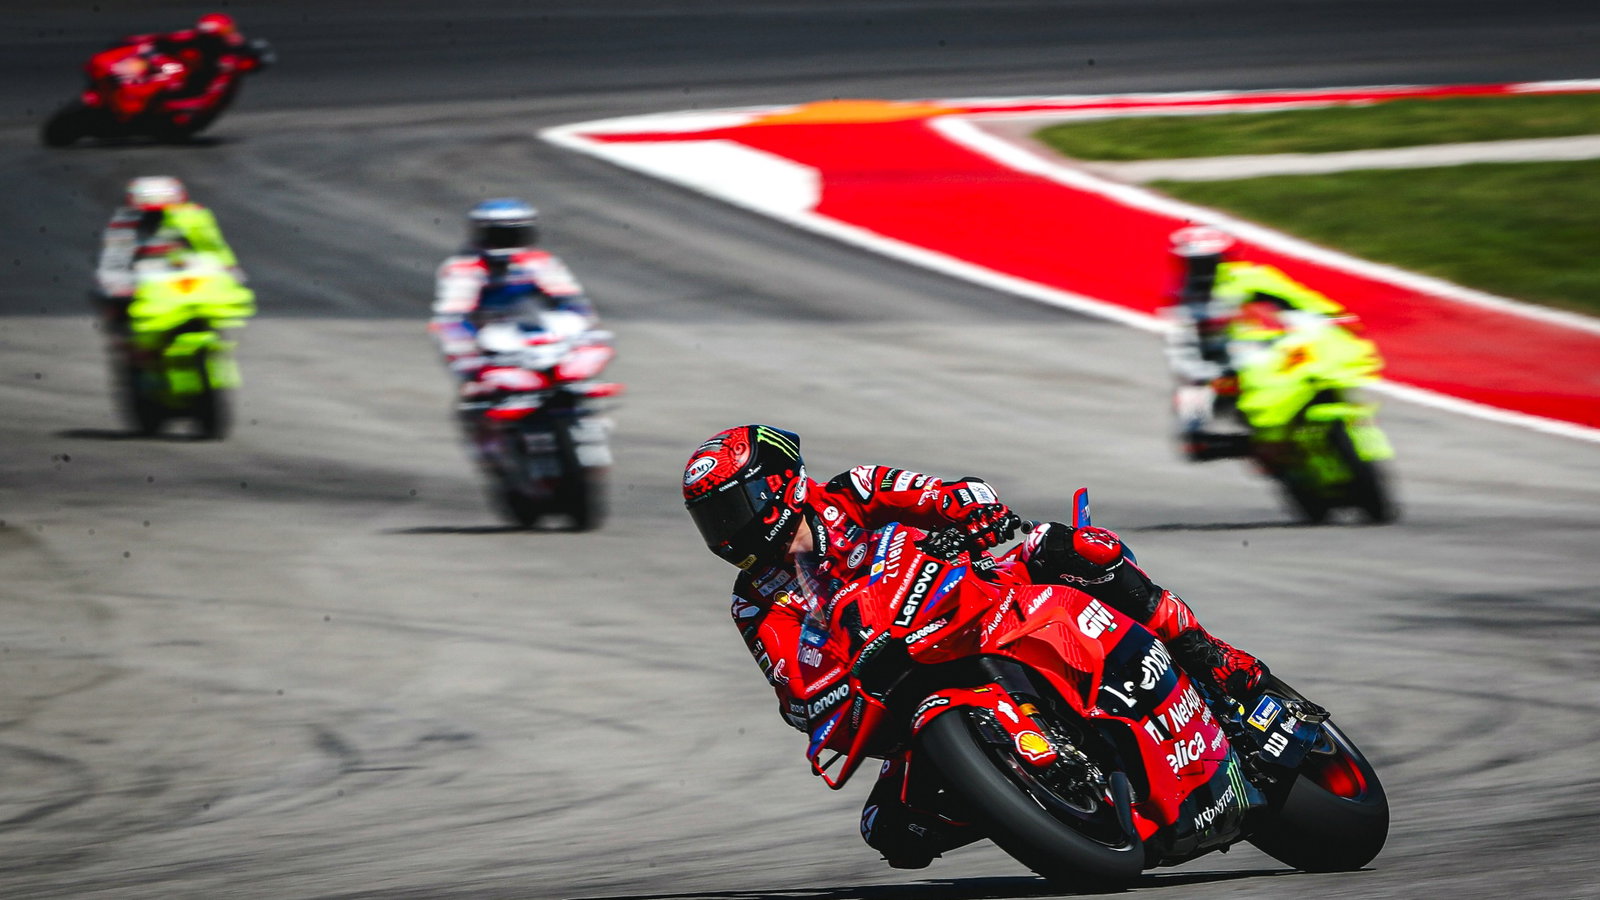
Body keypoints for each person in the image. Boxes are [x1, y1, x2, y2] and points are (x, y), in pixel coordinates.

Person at [682, 424, 1267, 869]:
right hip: (903, 688)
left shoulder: (853, 492)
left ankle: (1210, 658)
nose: (726, 533)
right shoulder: (755, 603)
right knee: (891, 831)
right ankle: (1028, 799)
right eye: (711, 520)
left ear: (779, 486)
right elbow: (798, 697)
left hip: (979, 600)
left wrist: (971, 507)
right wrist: (832, 702)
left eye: (732, 509)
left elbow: (947, 492)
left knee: (1071, 548)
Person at [1163, 224, 1366, 461]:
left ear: (1223, 258)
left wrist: (1331, 315)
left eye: (1210, 261)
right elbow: (1181, 354)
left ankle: (1340, 413)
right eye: (1196, 264)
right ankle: (1256, 447)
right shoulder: (1181, 305)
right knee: (1192, 439)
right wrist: (1207, 376)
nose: (1204, 270)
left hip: (1263, 350)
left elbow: (1297, 296)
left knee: (1322, 355)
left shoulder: (1249, 277)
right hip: (1220, 372)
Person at [429, 198, 598, 393]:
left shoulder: (540, 261)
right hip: (488, 337)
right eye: (498, 235)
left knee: (585, 338)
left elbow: (571, 299)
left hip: (535, 329)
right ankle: (483, 393)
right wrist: (468, 355)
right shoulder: (462, 268)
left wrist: (590, 332)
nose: (506, 242)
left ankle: (567, 386)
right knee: (448, 337)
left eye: (513, 234)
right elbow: (453, 316)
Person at [96, 176, 243, 341]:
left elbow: (212, 247)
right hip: (143, 282)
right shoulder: (124, 223)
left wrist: (228, 269)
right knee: (119, 309)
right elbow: (113, 261)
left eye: (163, 209)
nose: (157, 215)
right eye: (150, 211)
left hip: (181, 278)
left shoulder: (193, 216)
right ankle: (133, 349)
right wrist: (118, 286)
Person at [112, 13, 267, 100]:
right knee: (169, 70)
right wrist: (133, 41)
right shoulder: (189, 38)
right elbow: (160, 38)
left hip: (200, 81)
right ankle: (133, 92)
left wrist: (254, 57)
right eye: (224, 33)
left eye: (228, 30)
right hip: (174, 70)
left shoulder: (232, 43)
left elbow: (250, 55)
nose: (228, 35)